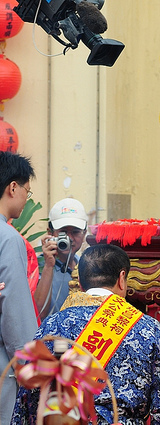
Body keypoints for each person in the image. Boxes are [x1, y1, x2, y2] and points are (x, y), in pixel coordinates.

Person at [12, 244, 160, 425]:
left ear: (81, 283)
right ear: (122, 278)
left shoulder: (53, 325)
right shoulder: (147, 328)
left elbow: (29, 397)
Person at [0, 151, 39, 425]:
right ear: (13, 187)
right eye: (27, 190)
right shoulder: (8, 238)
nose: (27, 198)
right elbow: (14, 311)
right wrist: (30, 367)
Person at [34, 198, 89, 320]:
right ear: (50, 233)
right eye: (63, 232)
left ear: (84, 234)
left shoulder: (85, 267)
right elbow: (37, 315)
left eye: (75, 232)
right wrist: (48, 266)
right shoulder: (36, 267)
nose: (69, 238)